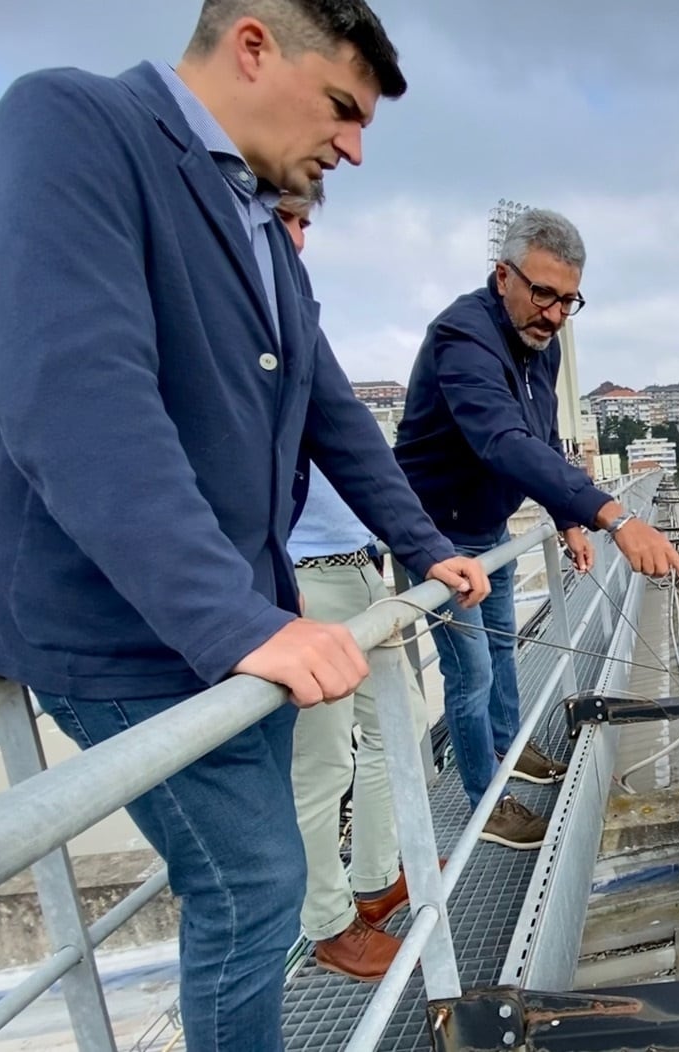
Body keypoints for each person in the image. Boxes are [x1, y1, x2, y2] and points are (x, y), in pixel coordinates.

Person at [0, 3, 489, 1047]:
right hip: (117, 629)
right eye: (343, 106)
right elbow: (77, 391)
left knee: (260, 876)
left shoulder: (251, 208)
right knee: (253, 882)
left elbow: (330, 410)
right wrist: (234, 619)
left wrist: (424, 544)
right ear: (252, 45)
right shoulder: (68, 117)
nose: (351, 145)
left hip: (221, 619)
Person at [395, 209, 679, 850]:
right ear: (503, 277)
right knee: (469, 672)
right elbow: (501, 440)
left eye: (568, 300)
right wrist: (613, 516)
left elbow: (543, 439)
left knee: (500, 654)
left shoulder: (540, 344)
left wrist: (566, 518)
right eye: (544, 294)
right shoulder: (463, 337)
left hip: (490, 525)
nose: (554, 314)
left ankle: (507, 749)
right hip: (438, 538)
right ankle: (487, 804)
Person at [276, 184, 430, 982]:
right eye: (285, 220)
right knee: (324, 761)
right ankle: (330, 922)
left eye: (304, 222)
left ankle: (373, 882)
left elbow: (358, 457)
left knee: (393, 727)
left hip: (361, 573)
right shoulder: (238, 326)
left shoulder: (291, 318)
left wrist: (424, 551)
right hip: (306, 582)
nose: (296, 239)